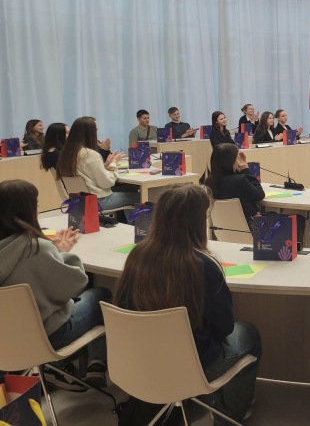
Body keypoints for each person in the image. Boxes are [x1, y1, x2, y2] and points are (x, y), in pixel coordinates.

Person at [115, 185, 261, 425]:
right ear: (197, 222)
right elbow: (225, 327)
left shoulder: (136, 256)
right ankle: (230, 415)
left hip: (142, 359)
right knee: (249, 334)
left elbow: (123, 305)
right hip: (191, 366)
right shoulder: (204, 265)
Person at [0, 179, 110, 387]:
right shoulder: (35, 248)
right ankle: (94, 365)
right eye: (36, 203)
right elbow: (75, 284)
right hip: (47, 337)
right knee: (101, 295)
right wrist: (61, 252)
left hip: (5, 340)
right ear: (26, 210)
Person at [57, 116, 140, 213]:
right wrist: (113, 165)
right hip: (99, 200)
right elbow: (106, 183)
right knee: (144, 197)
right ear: (90, 133)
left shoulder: (67, 153)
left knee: (129, 190)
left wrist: (105, 166)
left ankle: (129, 222)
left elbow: (88, 173)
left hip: (78, 199)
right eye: (96, 130)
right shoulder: (90, 155)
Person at [204, 143, 265, 224]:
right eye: (237, 159)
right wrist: (246, 170)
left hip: (222, 227)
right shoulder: (240, 180)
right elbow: (259, 195)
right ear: (231, 162)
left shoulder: (209, 182)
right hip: (248, 226)